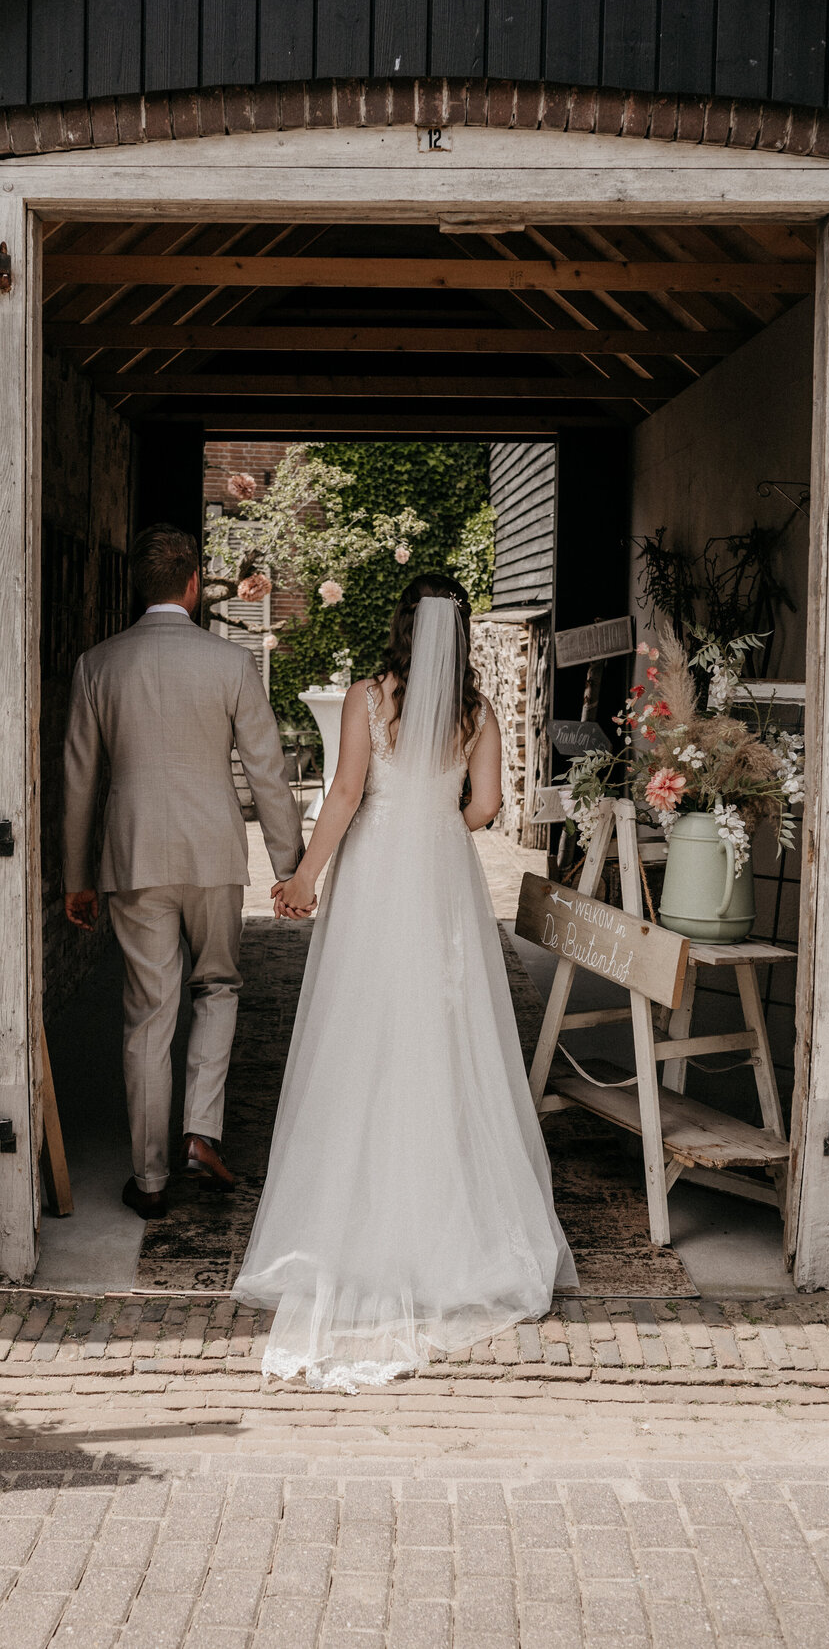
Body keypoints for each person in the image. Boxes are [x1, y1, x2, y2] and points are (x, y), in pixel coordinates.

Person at [233, 574, 577, 1389]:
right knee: (449, 1031)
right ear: (458, 634)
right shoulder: (478, 711)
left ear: (401, 626)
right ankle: (457, 1220)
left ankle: (351, 1212)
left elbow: (347, 792)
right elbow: (488, 804)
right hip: (441, 873)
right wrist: (436, 830)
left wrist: (306, 878)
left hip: (379, 869)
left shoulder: (366, 697)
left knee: (363, 1027)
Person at [62, 524, 303, 1221]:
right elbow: (269, 774)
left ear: (139, 587)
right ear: (195, 584)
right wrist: (290, 869)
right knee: (219, 986)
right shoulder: (229, 664)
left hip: (133, 858)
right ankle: (201, 1134)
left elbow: (78, 779)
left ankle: (150, 1177)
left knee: (148, 1014)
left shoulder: (97, 665)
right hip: (213, 854)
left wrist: (77, 875)